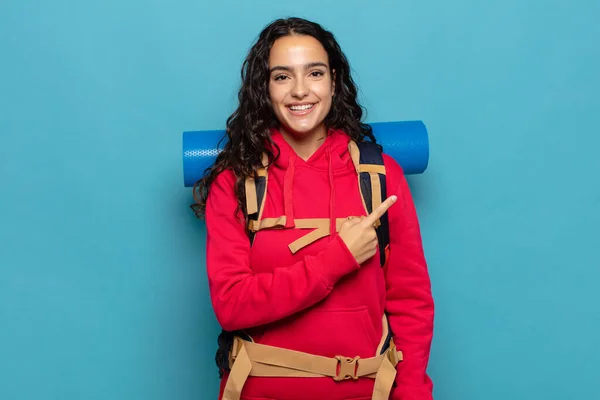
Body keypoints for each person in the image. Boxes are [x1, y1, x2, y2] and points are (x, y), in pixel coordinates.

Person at [192, 17, 434, 400]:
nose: (300, 91)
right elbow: (232, 305)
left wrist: (414, 394)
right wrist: (336, 258)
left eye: (315, 73)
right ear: (265, 88)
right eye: (282, 77)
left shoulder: (381, 176)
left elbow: (411, 305)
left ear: (334, 81)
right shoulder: (236, 182)